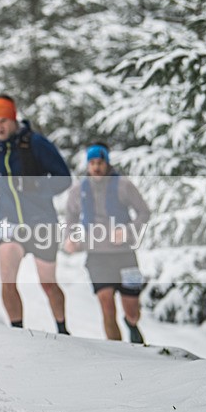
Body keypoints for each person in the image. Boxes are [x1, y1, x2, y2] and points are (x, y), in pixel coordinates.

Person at [0, 95, 72, 332]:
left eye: (3, 121)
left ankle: (62, 329)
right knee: (7, 280)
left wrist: (36, 185)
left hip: (42, 223)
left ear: (13, 119)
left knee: (48, 283)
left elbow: (64, 179)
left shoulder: (36, 144)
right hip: (9, 222)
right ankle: (17, 331)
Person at [64, 143, 151, 343]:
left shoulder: (123, 185)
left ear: (107, 163)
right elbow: (71, 216)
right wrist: (71, 237)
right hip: (97, 256)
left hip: (125, 255)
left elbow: (144, 212)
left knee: (132, 311)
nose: (96, 167)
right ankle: (118, 352)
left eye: (100, 163)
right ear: (88, 165)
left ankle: (131, 323)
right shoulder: (79, 190)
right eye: (92, 163)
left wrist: (127, 231)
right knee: (107, 306)